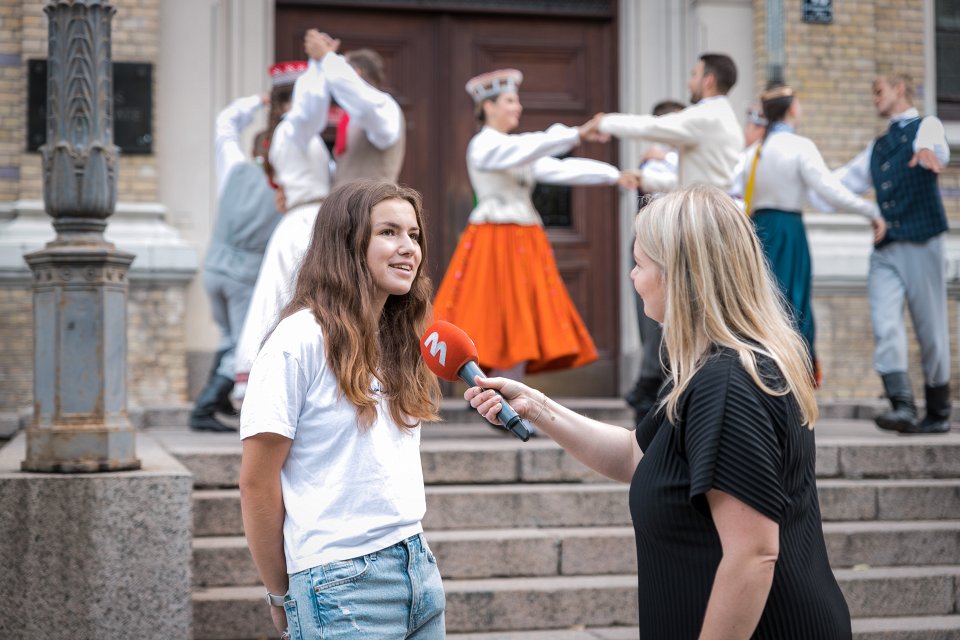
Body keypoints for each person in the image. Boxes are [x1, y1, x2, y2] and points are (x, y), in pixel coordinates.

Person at [466, 185, 852, 639]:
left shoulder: (727, 384)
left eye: (640, 264)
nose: (632, 276)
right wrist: (536, 407)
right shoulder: (707, 367)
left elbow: (753, 554)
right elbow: (634, 456)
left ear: (681, 276)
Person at [239, 180, 445, 639]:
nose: (408, 247)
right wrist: (280, 594)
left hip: (417, 566)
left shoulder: (400, 338)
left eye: (413, 235)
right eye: (388, 232)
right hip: (340, 584)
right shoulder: (298, 340)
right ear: (348, 243)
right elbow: (256, 482)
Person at [432, 68, 638, 377]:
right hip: (496, 237)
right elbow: (526, 148)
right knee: (497, 311)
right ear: (488, 106)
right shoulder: (485, 145)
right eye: (510, 101)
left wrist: (612, 174)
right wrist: (575, 133)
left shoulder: (515, 148)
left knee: (522, 314)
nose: (518, 108)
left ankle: (508, 387)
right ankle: (491, 385)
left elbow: (559, 168)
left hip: (523, 238)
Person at [817, 73, 952, 434]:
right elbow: (839, 183)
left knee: (931, 329)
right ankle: (902, 405)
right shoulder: (877, 148)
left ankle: (938, 412)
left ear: (899, 89)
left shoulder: (928, 126)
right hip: (886, 250)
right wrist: (806, 180)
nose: (875, 97)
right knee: (885, 323)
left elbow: (935, 141)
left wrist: (926, 147)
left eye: (880, 90)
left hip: (923, 243)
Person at [730, 84, 885, 384]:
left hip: (757, 231)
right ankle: (794, 377)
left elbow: (731, 189)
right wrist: (871, 212)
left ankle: (763, 372)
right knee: (794, 301)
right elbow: (829, 191)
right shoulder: (798, 147)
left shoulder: (753, 153)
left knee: (764, 300)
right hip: (789, 232)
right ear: (792, 110)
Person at [233, 49, 334, 400]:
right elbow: (314, 110)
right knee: (303, 299)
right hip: (308, 222)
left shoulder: (284, 133)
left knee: (284, 298)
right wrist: (324, 64)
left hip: (301, 219)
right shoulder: (294, 128)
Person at [190, 93, 283, 432]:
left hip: (214, 267)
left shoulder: (235, 168)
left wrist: (257, 101)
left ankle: (217, 401)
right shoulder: (284, 186)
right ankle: (203, 409)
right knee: (240, 343)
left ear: (256, 150)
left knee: (228, 336)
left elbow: (225, 125)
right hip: (245, 275)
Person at [591, 53, 744, 191]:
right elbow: (698, 182)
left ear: (708, 81)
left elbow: (651, 127)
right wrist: (645, 179)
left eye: (694, 75)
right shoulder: (726, 116)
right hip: (711, 207)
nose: (689, 83)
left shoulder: (707, 115)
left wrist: (604, 122)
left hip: (702, 212)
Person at [623, 99, 683, 424]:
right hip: (651, 248)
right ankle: (646, 398)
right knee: (653, 329)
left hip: (677, 249)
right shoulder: (655, 163)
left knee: (672, 328)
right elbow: (654, 183)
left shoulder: (679, 159)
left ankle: (654, 396)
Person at [304, 30, 406, 187]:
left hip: (373, 207)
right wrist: (318, 61)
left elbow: (363, 104)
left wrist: (327, 58)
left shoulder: (385, 107)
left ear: (356, 73)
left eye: (344, 69)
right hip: (345, 207)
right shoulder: (353, 116)